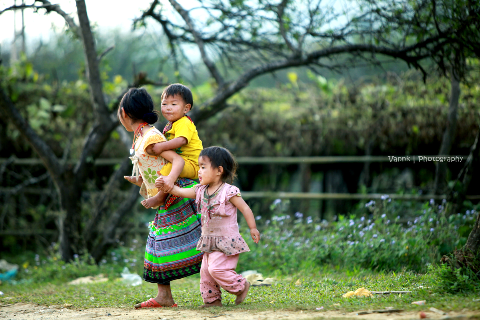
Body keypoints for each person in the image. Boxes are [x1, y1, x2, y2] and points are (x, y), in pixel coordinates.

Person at [118, 87, 203, 308]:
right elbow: (157, 168)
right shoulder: (143, 136)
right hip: (168, 194)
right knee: (162, 245)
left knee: (201, 242)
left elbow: (178, 162)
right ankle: (165, 296)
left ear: (124, 113)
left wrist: (165, 188)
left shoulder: (151, 137)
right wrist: (142, 182)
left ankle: (231, 284)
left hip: (177, 194)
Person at [156, 146, 261, 307]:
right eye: (199, 167)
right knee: (205, 272)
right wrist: (166, 184)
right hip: (209, 241)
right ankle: (213, 301)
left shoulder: (229, 192)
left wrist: (253, 228)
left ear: (219, 170)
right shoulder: (200, 190)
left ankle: (241, 285)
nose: (199, 171)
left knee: (216, 270)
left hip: (226, 241)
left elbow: (245, 208)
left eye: (203, 167)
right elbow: (180, 191)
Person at [140, 83, 203, 210]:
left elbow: (181, 141)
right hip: (182, 161)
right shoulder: (171, 124)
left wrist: (161, 147)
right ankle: (142, 180)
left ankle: (160, 196)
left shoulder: (184, 122)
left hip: (192, 163)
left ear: (186, 108)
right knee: (159, 163)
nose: (168, 108)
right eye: (164, 104)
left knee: (168, 168)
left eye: (174, 104)